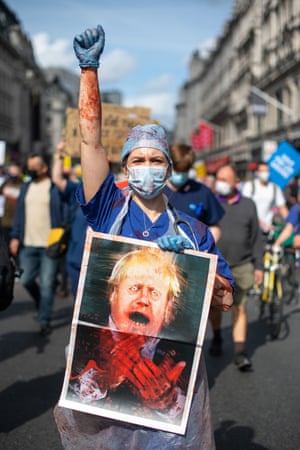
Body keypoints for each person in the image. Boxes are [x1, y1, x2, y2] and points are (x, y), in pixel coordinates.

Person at [53, 24, 234, 450]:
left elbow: (225, 299)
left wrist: (195, 267)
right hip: (105, 384)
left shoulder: (194, 230)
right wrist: (89, 71)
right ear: (125, 167)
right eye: (139, 159)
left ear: (168, 170)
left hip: (170, 392)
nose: (147, 166)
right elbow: (89, 141)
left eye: (156, 160)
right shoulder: (107, 210)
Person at [68, 247, 192, 422]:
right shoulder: (85, 332)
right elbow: (72, 395)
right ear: (113, 292)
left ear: (168, 310)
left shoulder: (184, 351)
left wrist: (168, 403)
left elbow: (186, 411)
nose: (143, 300)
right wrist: (105, 378)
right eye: (134, 288)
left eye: (155, 293)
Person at [210, 164, 264, 370]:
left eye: (225, 179)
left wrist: (258, 265)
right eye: (218, 178)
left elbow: (256, 237)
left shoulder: (249, 205)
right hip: (217, 266)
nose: (220, 183)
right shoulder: (212, 203)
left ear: (237, 182)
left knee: (240, 307)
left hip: (242, 265)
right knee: (216, 308)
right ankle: (216, 336)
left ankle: (240, 352)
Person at [9, 153, 67, 336]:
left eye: (34, 167)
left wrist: (62, 235)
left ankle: (44, 320)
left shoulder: (53, 188)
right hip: (28, 244)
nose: (30, 170)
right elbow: (19, 213)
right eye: (29, 166)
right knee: (25, 279)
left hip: (49, 245)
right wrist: (15, 236)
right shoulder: (26, 187)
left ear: (43, 168)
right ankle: (41, 302)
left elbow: (64, 213)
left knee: (47, 283)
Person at [164, 143, 224, 242]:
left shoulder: (202, 192)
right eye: (177, 170)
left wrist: (205, 249)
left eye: (184, 171)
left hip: (193, 253)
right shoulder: (156, 191)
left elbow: (215, 227)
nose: (180, 175)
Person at [52, 142, 88, 297]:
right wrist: (60, 154)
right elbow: (57, 179)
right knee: (78, 300)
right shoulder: (77, 191)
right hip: (76, 258)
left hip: (97, 261)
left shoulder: (110, 193)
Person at [242, 161, 288, 242]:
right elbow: (246, 209)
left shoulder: (274, 188)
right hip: (251, 228)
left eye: (267, 171)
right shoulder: (249, 186)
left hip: (268, 231)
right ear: (257, 172)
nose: (265, 173)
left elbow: (282, 207)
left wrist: (290, 224)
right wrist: (261, 224)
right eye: (262, 171)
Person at [0, 162, 23, 244]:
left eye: (15, 170)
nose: (12, 172)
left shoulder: (23, 185)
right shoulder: (6, 183)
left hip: (17, 222)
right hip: (5, 222)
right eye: (11, 170)